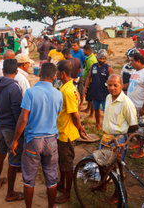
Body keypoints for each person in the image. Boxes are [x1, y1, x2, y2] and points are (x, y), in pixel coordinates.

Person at [10, 63, 63, 208]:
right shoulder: (58, 94)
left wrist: (15, 140)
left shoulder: (31, 93)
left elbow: (23, 118)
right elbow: (56, 115)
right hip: (51, 140)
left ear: (40, 74)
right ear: (54, 77)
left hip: (33, 140)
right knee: (51, 178)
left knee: (29, 179)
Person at [0, 59, 24, 202]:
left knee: (1, 153)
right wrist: (19, 135)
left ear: (3, 71)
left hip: (0, 125)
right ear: (16, 72)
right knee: (13, 160)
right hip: (11, 127)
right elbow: (18, 113)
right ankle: (10, 192)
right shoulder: (14, 88)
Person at [55, 60, 87, 204]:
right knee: (62, 163)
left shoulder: (68, 91)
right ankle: (62, 184)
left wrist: (80, 127)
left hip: (66, 135)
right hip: (62, 131)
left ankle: (67, 193)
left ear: (62, 73)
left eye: (57, 71)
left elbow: (74, 114)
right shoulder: (66, 87)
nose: (56, 74)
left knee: (67, 166)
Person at [101, 74, 138, 163]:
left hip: (118, 140)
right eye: (109, 85)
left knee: (115, 166)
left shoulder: (126, 103)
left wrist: (123, 134)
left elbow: (134, 125)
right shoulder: (108, 97)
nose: (112, 88)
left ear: (121, 85)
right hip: (106, 137)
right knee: (103, 163)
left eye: (115, 85)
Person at [125, 52, 144, 159]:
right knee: (134, 126)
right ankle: (138, 143)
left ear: (138, 61)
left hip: (140, 107)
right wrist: (121, 86)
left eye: (132, 60)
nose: (130, 63)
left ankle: (141, 150)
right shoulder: (135, 71)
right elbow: (131, 83)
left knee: (142, 130)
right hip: (132, 106)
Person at [82, 49, 113, 127]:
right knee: (96, 109)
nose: (102, 60)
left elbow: (112, 81)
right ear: (97, 58)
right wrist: (85, 87)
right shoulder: (93, 66)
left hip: (105, 94)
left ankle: (107, 126)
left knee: (107, 111)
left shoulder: (108, 68)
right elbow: (89, 77)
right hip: (95, 92)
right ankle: (98, 124)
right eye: (100, 58)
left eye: (104, 59)